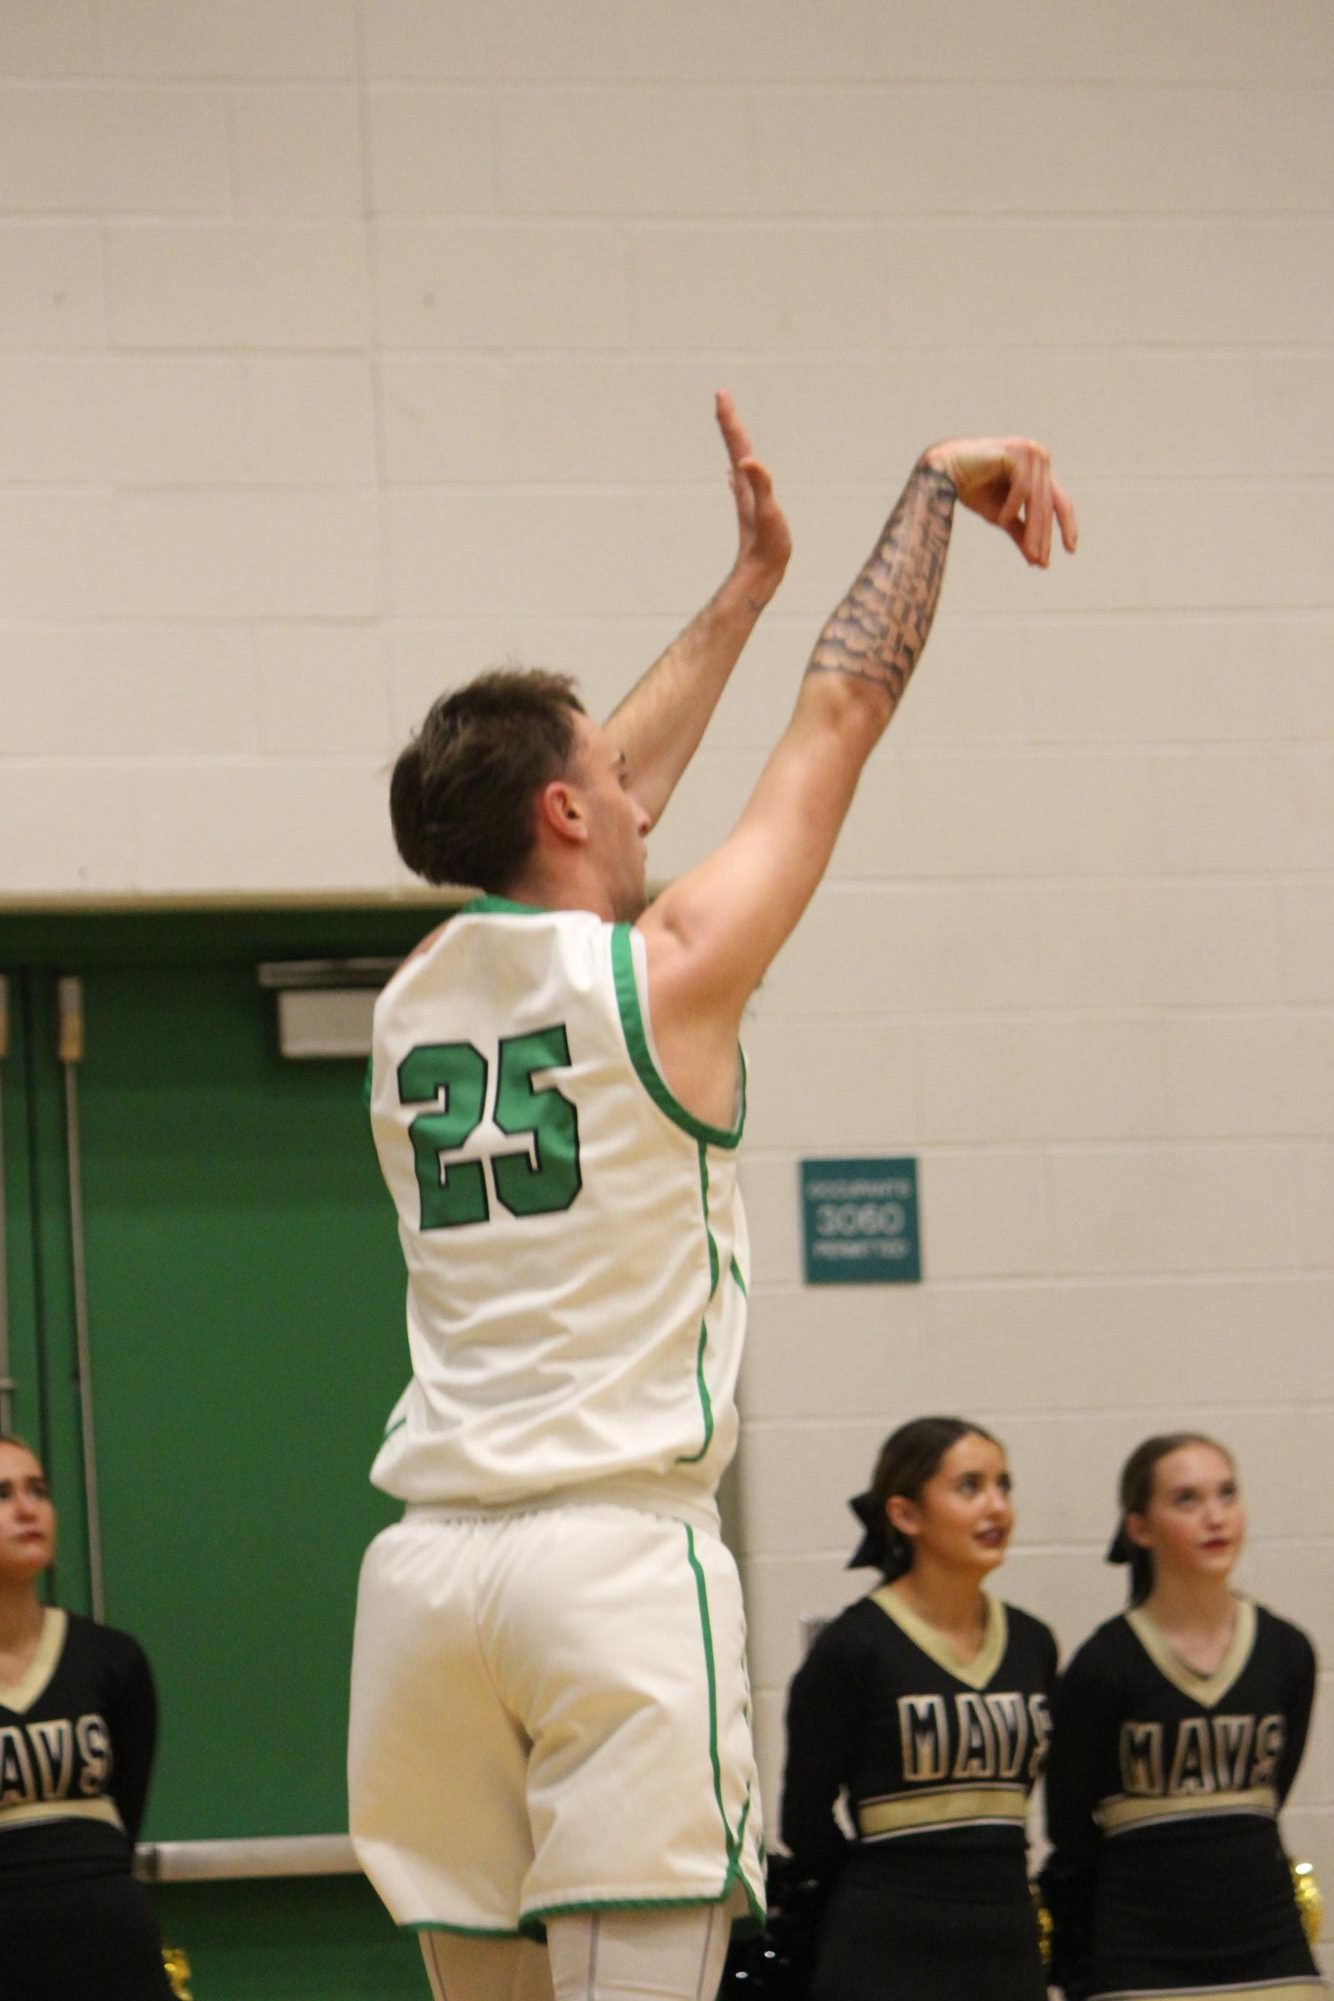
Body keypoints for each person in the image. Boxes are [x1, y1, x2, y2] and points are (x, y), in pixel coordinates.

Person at [347, 394, 1077, 2001]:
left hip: (423, 1583)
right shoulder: (665, 976)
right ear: (566, 811)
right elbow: (839, 718)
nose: (633, 782)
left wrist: (742, 584)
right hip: (604, 1563)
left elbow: (596, 800)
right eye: (607, 774)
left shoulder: (408, 1000)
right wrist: (928, 493)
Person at [780, 1416, 1057, 2001]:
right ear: (905, 1514)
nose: (996, 1506)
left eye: (1003, 1486)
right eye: (970, 1487)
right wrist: (884, 1892)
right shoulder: (854, 1647)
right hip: (885, 1947)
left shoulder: (1033, 1642)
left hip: (1006, 1939)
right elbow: (803, 1822)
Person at [1042, 1431, 1324, 2001]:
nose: (1215, 1517)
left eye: (1227, 1494)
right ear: (1140, 1529)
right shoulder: (1104, 1664)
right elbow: (1067, 1824)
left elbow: (1272, 1794)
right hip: (1140, 1956)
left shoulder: (1287, 1651)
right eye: (1187, 1500)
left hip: (1270, 1945)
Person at [0, 1433, 173, 2001]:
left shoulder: (112, 1659)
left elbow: (126, 1813)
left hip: (112, 1953)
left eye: (38, 1490)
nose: (28, 1509)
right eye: (2, 1494)